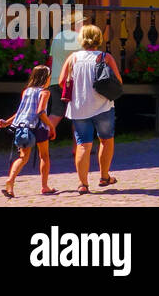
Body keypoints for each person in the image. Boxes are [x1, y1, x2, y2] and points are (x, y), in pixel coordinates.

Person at [59, 23, 123, 195]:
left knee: (83, 145)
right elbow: (118, 81)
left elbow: (61, 81)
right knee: (106, 140)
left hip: (79, 107)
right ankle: (104, 176)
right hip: (103, 106)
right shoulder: (105, 57)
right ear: (98, 39)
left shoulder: (72, 58)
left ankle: (83, 184)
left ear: (81, 39)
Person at [0, 64, 56, 197]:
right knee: (44, 156)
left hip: (23, 127)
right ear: (45, 78)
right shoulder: (45, 92)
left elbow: (21, 112)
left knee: (23, 157)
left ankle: (10, 181)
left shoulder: (26, 91)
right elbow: (40, 112)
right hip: (39, 128)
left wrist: (7, 122)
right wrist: (51, 126)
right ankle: (45, 186)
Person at [46, 10, 81, 134]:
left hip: (55, 79)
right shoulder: (78, 38)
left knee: (56, 113)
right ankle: (77, 149)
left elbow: (51, 59)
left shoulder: (58, 37)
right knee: (78, 116)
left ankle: (42, 144)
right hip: (72, 81)